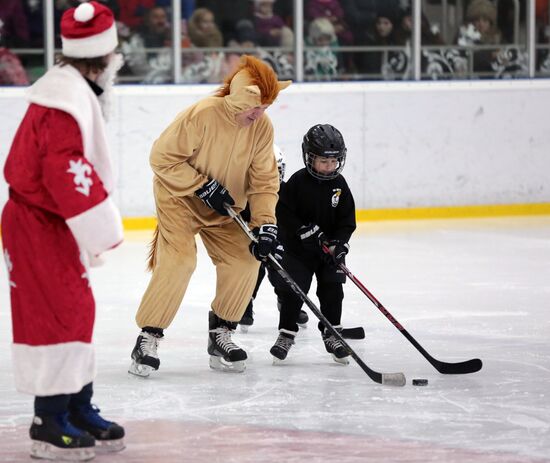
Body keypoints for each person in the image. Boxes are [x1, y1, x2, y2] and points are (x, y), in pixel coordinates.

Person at [1, 2, 125, 461]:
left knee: (75, 309)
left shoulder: (72, 91)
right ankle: (49, 420)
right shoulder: (63, 103)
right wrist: (102, 226)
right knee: (55, 315)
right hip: (37, 224)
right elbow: (65, 170)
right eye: (115, 57)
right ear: (103, 57)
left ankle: (76, 404)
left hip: (50, 222)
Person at [129, 54, 291, 377]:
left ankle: (221, 333)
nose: (260, 114)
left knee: (246, 259)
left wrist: (266, 224)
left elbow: (264, 181)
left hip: (224, 207)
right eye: (256, 107)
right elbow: (161, 158)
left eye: (265, 108)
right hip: (179, 198)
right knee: (180, 261)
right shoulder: (202, 115)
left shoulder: (262, 128)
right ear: (240, 98)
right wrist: (200, 186)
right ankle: (148, 336)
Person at [268, 124, 356, 364]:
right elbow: (283, 214)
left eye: (334, 161)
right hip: (299, 252)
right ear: (309, 158)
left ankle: (333, 333)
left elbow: (347, 220)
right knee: (293, 291)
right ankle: (286, 333)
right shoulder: (297, 182)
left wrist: (340, 243)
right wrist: (301, 230)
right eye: (323, 162)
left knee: (333, 289)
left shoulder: (340, 185)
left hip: (328, 252)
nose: (330, 167)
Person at [238, 144, 309, 332]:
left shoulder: (288, 192)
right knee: (255, 265)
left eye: (275, 171)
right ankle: (246, 302)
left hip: (281, 241)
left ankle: (285, 299)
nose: (270, 176)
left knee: (286, 264)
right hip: (256, 243)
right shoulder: (247, 194)